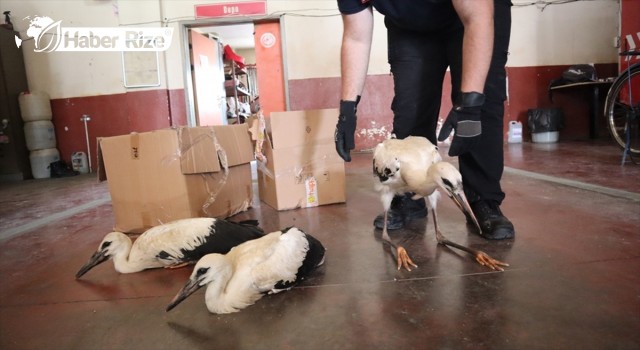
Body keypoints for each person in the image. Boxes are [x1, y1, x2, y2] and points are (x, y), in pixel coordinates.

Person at [334, 0, 515, 240]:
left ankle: (484, 201)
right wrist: (348, 109)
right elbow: (356, 37)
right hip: (411, 26)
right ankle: (410, 196)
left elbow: (478, 19)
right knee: (410, 109)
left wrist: (469, 106)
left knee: (481, 106)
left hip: (474, 16)